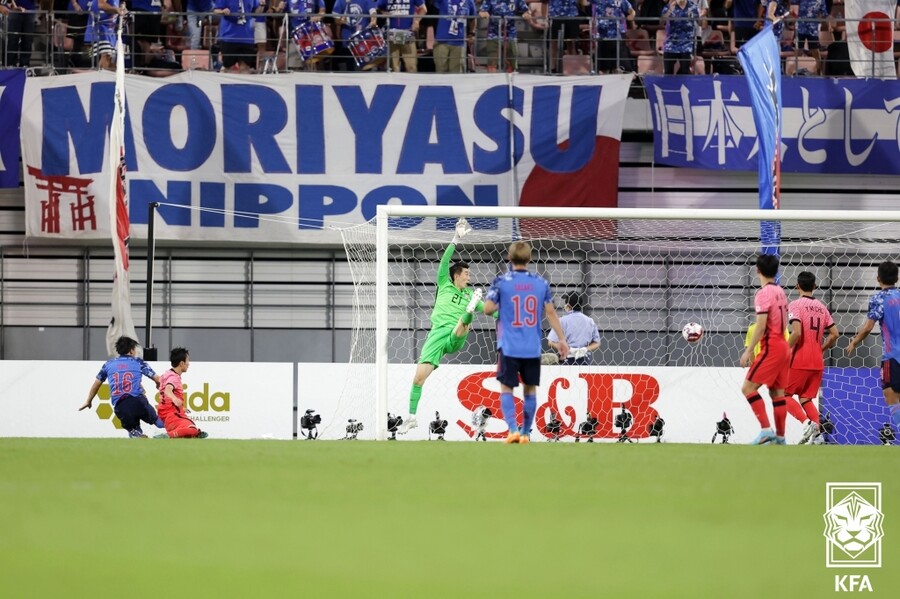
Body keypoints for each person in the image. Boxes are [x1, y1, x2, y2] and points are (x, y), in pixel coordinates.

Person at [396, 218, 484, 434]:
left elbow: (494, 310)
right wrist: (455, 239)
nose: (469, 277)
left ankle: (469, 313)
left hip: (455, 336)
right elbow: (444, 262)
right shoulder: (444, 283)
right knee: (418, 379)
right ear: (456, 276)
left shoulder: (469, 295)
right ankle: (412, 417)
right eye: (466, 274)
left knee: (462, 324)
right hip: (436, 336)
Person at [483, 241, 569, 444]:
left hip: (509, 346)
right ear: (529, 259)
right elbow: (550, 313)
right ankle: (525, 433)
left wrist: (502, 304)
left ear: (509, 258)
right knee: (530, 390)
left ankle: (512, 429)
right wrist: (562, 339)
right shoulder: (541, 283)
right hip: (531, 348)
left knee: (506, 389)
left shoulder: (501, 282)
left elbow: (487, 309)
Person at [739, 254, 791, 445]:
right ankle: (780, 438)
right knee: (777, 393)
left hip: (772, 346)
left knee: (747, 388)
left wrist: (748, 350)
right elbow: (785, 320)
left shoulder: (762, 294)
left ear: (757, 271)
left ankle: (766, 430)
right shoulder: (780, 291)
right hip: (783, 345)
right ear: (776, 271)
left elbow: (760, 326)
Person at [846, 260, 900, 435]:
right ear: (897, 278)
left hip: (892, 356)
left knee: (891, 394)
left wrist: (854, 341)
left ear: (878, 278)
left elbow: (869, 327)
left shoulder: (879, 298)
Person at [786, 271, 838, 445]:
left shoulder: (795, 305)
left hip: (799, 359)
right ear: (814, 286)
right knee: (806, 398)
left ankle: (807, 423)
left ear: (797, 286)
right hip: (817, 361)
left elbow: (797, 333)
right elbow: (834, 334)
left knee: (782, 395)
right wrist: (821, 349)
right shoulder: (822, 307)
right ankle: (817, 436)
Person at [79, 336, 165, 438]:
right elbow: (158, 379)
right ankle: (178, 430)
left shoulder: (108, 364)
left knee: (133, 430)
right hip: (138, 401)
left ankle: (136, 435)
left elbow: (96, 384)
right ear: (132, 350)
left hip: (121, 406)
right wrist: (158, 384)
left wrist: (89, 400)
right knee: (158, 422)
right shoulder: (138, 362)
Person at [157, 347, 209, 438]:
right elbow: (167, 389)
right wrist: (174, 398)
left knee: (187, 435)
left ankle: (193, 434)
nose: (189, 363)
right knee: (192, 429)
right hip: (172, 414)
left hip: (167, 415)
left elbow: (162, 390)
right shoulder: (174, 378)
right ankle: (167, 436)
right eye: (188, 360)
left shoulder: (166, 374)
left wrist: (181, 407)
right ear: (181, 363)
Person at [478, 0, 533, 72]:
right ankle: (491, 79)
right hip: (493, 34)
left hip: (510, 34)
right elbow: (482, 11)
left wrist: (527, 13)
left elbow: (527, 11)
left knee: (512, 62)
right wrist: (483, 13)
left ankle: (511, 81)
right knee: (492, 63)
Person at [547, 291, 600, 365]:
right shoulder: (590, 321)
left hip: (566, 358)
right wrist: (584, 349)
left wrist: (569, 349)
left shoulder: (561, 321)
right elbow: (597, 343)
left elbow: (550, 342)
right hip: (584, 360)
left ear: (568, 306)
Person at [214, 0, 267, 73]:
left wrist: (262, 5)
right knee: (227, 67)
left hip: (247, 37)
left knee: (245, 68)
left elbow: (256, 13)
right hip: (229, 37)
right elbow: (215, 10)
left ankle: (243, 84)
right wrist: (223, 11)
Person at [378, 0, 427, 72]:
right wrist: (383, 13)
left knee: (411, 67)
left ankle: (412, 83)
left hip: (408, 33)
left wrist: (416, 21)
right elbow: (377, 8)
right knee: (394, 67)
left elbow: (423, 9)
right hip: (392, 35)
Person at [433, 0, 476, 73]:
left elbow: (473, 18)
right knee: (440, 72)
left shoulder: (469, 1)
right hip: (442, 40)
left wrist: (472, 33)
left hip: (459, 41)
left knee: (457, 73)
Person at [661, 0, 700, 75]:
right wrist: (670, 11)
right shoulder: (670, 5)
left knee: (685, 72)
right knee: (668, 73)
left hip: (686, 45)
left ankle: (678, 84)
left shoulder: (692, 6)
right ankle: (670, 86)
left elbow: (701, 23)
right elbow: (662, 21)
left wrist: (703, 15)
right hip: (671, 45)